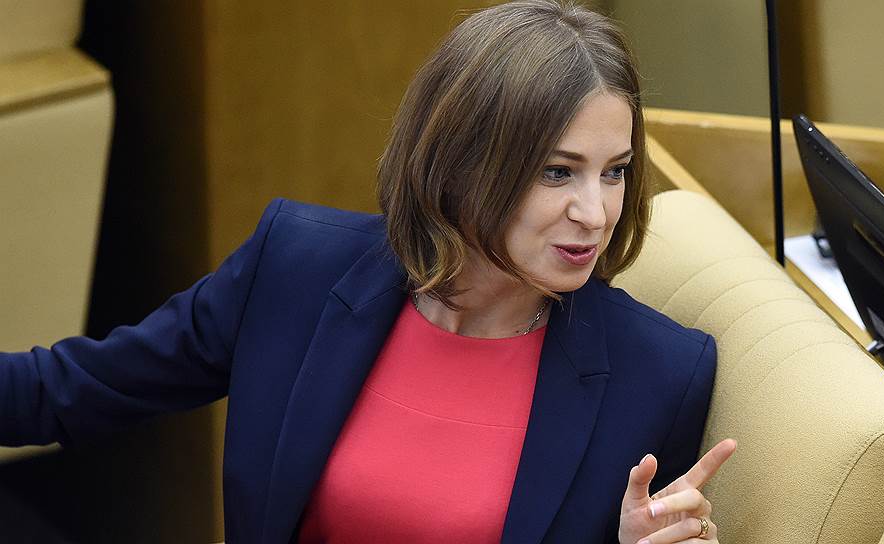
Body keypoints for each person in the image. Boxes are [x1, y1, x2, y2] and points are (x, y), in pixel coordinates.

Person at [0, 1, 735, 542]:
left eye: (615, 171)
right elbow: (67, 391)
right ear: (463, 161)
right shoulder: (294, 268)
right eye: (557, 171)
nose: (595, 212)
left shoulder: (661, 374)